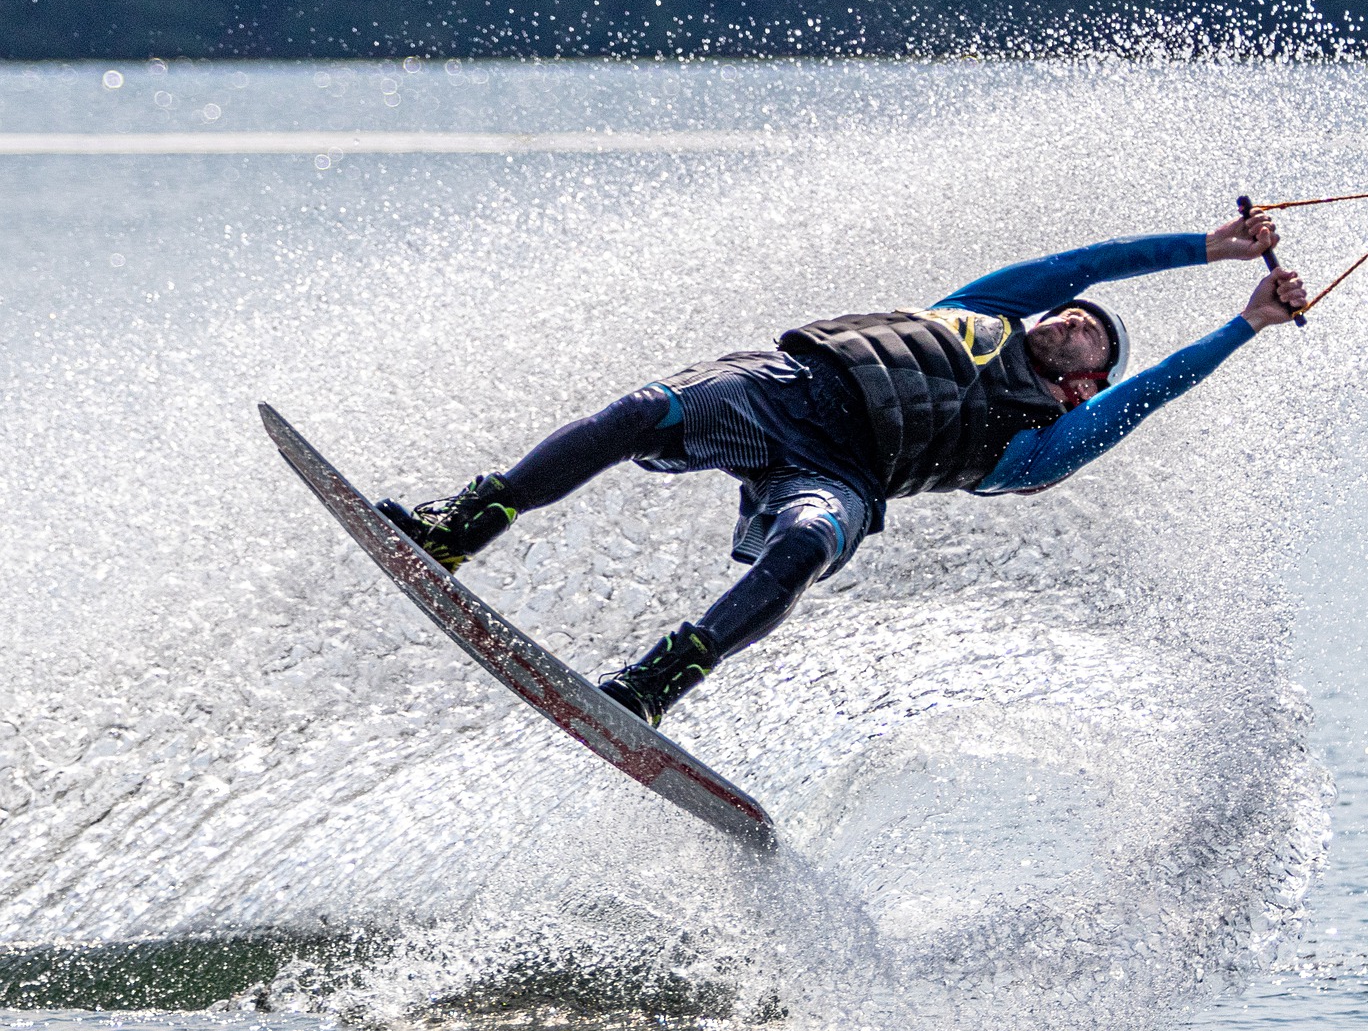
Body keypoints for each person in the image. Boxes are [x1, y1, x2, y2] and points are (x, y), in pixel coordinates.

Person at [378, 213, 1309, 726]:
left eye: (1090, 340)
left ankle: (660, 681)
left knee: (806, 542)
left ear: (1083, 386)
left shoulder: (1042, 446)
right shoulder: (981, 309)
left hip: (849, 476)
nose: (1073, 321)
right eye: (1074, 316)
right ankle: (466, 527)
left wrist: (1245, 322)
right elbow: (1093, 259)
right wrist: (1208, 248)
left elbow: (1154, 393)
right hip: (784, 390)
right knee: (640, 411)